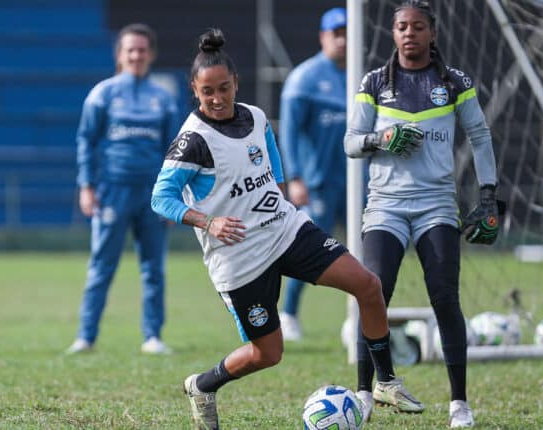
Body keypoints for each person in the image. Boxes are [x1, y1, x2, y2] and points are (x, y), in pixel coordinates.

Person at [151, 28, 421, 429]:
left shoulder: (255, 116)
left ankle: (385, 382)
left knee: (368, 285)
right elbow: (161, 198)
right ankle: (203, 385)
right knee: (268, 353)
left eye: (224, 88)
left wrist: (279, 194)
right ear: (195, 89)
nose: (217, 98)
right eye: (207, 91)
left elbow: (270, 154)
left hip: (286, 231)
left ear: (235, 83)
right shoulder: (192, 141)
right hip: (241, 259)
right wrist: (209, 221)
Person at [344, 1, 500, 427]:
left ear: (432, 33)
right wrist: (382, 138)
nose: (408, 33)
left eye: (417, 27)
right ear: (392, 33)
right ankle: (363, 396)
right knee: (372, 293)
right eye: (401, 27)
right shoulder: (374, 82)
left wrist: (488, 197)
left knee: (445, 298)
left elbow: (481, 136)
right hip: (385, 207)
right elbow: (351, 143)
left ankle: (459, 404)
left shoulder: (454, 82)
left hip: (436, 206)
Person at [66, 23, 181, 355]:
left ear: (151, 55)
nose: (136, 55)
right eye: (130, 49)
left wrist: (173, 196)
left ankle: (153, 337)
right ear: (119, 54)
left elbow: (175, 151)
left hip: (153, 194)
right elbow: (86, 141)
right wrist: (86, 186)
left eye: (142, 50)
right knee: (101, 266)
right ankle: (86, 337)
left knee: (154, 268)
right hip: (112, 190)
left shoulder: (164, 98)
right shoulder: (103, 94)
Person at [278, 7, 348, 342]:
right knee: (310, 251)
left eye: (348, 32)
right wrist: (295, 178)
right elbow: (289, 133)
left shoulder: (363, 77)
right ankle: (289, 313)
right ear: (323, 37)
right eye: (337, 33)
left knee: (368, 251)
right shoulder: (304, 78)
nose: (344, 39)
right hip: (318, 184)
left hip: (358, 183)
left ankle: (361, 316)